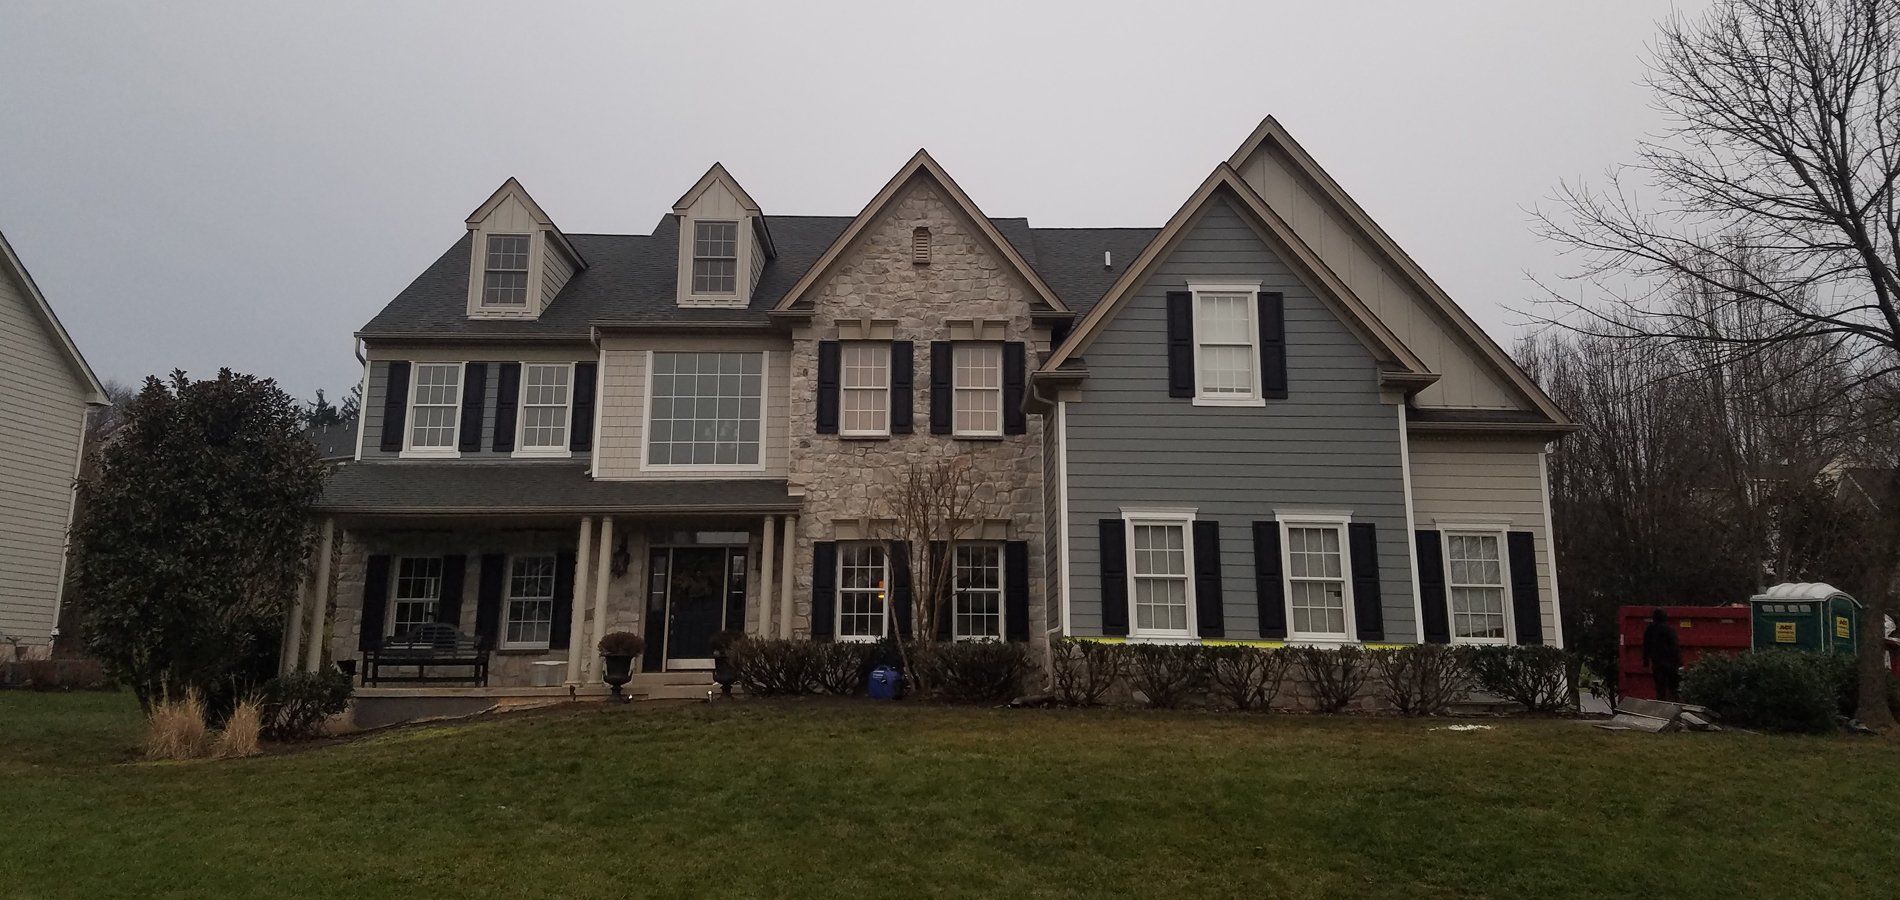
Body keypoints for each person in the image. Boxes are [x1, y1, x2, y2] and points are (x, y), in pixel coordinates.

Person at [1643, 609, 1683, 702]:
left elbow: (1646, 646)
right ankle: (1673, 706)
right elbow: (1675, 647)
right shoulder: (1669, 630)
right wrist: (1680, 663)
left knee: (1660, 688)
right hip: (1671, 664)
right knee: (1673, 688)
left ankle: (1661, 706)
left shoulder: (1649, 630)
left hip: (1657, 663)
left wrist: (1645, 661)